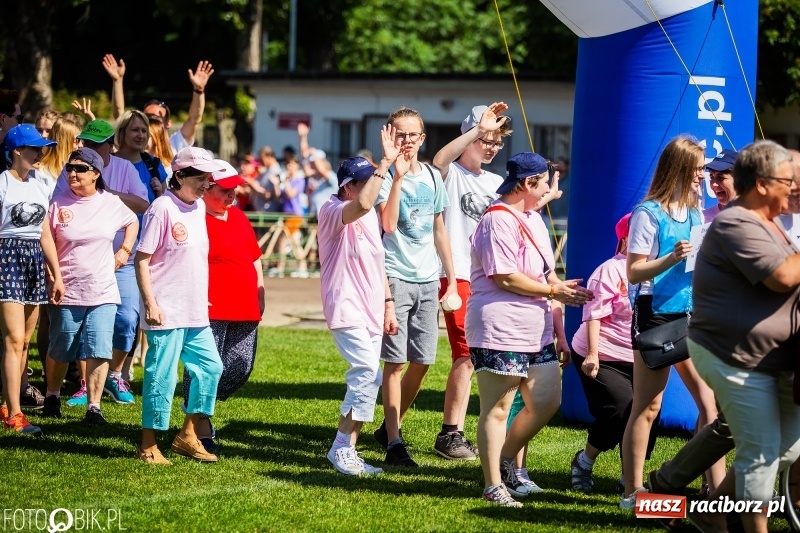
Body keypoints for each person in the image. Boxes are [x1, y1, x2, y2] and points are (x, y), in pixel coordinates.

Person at [685, 140, 800, 533]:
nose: (795, 187)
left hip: (774, 356)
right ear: (765, 184)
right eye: (790, 180)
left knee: (789, 448)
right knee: (761, 452)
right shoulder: (736, 222)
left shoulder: (772, 221)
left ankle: (707, 512)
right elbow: (783, 276)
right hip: (731, 353)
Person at [467, 152, 592, 506]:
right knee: (498, 408)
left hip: (535, 328)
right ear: (526, 184)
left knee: (546, 399)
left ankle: (504, 461)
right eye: (543, 184)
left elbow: (546, 274)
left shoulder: (531, 216)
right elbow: (504, 276)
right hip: (499, 326)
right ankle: (494, 485)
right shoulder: (497, 220)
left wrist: (560, 318)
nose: (550, 190)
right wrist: (555, 290)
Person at [620, 135, 724, 509]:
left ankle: (715, 491)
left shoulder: (697, 213)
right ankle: (633, 492)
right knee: (648, 406)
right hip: (656, 315)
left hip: (690, 315)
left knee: (711, 406)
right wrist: (670, 258)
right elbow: (634, 271)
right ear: (680, 169)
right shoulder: (648, 213)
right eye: (698, 169)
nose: (703, 175)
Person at [372, 106, 459, 468]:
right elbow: (388, 225)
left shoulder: (434, 178)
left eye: (413, 135)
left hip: (427, 279)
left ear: (423, 138)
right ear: (390, 136)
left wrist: (450, 279)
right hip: (395, 276)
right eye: (400, 134)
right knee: (394, 363)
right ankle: (394, 440)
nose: (407, 141)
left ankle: (387, 427)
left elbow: (440, 230)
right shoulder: (382, 176)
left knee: (423, 361)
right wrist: (396, 177)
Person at [430, 102, 511, 461]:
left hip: (487, 277)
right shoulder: (451, 173)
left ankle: (391, 427)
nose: (491, 146)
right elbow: (439, 160)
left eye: (496, 141)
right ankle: (450, 434)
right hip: (456, 273)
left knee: (477, 354)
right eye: (485, 140)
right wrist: (477, 129)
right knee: (465, 354)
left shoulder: (496, 182)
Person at [318, 127, 401, 475]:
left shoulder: (367, 216)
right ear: (348, 186)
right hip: (346, 305)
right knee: (366, 372)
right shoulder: (333, 209)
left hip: (370, 306)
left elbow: (378, 261)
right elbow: (366, 201)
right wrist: (384, 163)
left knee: (370, 378)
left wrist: (387, 303)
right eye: (366, 181)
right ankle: (340, 448)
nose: (374, 185)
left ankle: (347, 449)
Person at [135, 147, 223, 464]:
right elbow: (142, 260)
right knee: (162, 377)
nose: (206, 184)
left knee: (211, 368)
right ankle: (148, 445)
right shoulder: (161, 208)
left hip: (196, 310)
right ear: (181, 175)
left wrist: (200, 294)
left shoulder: (198, 208)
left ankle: (187, 435)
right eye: (201, 177)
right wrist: (150, 303)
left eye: (208, 177)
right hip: (166, 311)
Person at [41, 148, 138, 425]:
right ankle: (52, 395)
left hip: (103, 289)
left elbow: (132, 221)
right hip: (67, 288)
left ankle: (94, 407)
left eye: (80, 169)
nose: (72, 173)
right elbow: (45, 242)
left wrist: (124, 250)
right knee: (62, 348)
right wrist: (53, 276)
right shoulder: (57, 203)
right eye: (70, 168)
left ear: (96, 174)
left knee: (99, 348)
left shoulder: (110, 202)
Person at [569, 213, 659, 493]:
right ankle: (584, 461)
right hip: (602, 353)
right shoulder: (610, 269)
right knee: (619, 410)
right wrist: (593, 354)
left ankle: (630, 477)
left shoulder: (657, 268)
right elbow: (593, 314)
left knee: (648, 413)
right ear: (624, 238)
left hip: (639, 355)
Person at [180, 160, 264, 453]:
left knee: (240, 366)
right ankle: (199, 425)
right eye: (226, 190)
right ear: (207, 187)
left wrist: (260, 290)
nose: (232, 195)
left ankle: (199, 404)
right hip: (209, 304)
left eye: (235, 189)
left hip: (244, 303)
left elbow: (254, 257)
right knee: (205, 367)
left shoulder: (239, 216)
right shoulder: (194, 216)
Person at [0, 125, 64, 434]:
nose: (40, 153)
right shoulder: (2, 183)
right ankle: (15, 413)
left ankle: (9, 402)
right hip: (7, 257)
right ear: (16, 151)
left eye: (42, 147)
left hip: (34, 261)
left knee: (24, 342)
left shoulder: (40, 185)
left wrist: (56, 273)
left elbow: (44, 233)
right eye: (33, 148)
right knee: (13, 340)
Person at [103, 54, 214, 155]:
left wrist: (199, 90)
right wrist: (117, 81)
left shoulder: (175, 144)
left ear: (167, 124)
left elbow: (194, 119)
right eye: (147, 117)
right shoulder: (134, 145)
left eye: (156, 118)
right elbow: (119, 114)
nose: (151, 122)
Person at [114, 110, 167, 202]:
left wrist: (160, 195)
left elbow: (167, 206)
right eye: (135, 130)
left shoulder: (155, 165)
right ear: (122, 132)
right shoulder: (107, 163)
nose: (141, 135)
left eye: (144, 131)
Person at [37, 116, 82, 191]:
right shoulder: (41, 171)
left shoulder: (80, 169)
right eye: (77, 140)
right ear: (64, 142)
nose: (81, 145)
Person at [703, 148, 738, 222]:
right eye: (711, 176)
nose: (714, 184)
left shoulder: (758, 218)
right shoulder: (703, 219)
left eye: (720, 177)